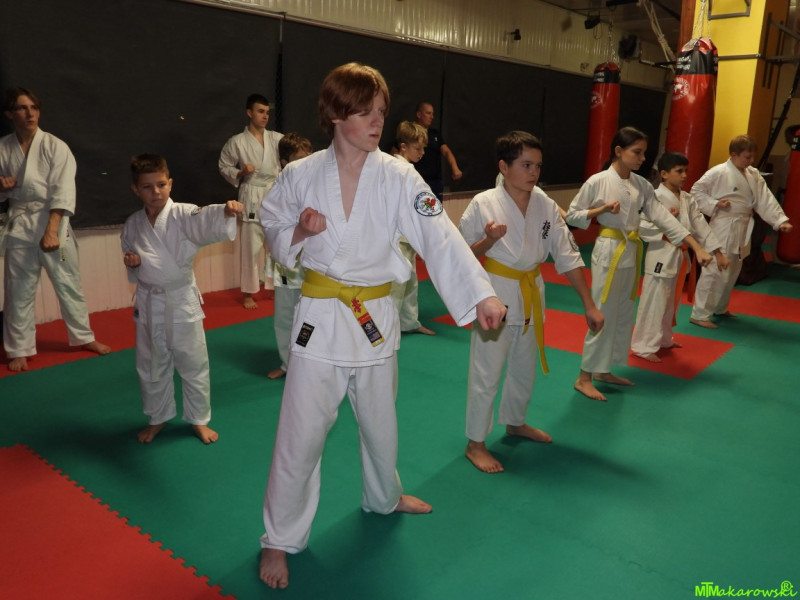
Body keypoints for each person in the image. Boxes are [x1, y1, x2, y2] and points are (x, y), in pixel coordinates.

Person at [258, 62, 506, 589]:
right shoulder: (300, 175)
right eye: (365, 112)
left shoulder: (399, 176)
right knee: (300, 437)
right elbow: (271, 224)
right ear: (335, 115)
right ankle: (280, 538)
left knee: (380, 425)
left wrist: (481, 292)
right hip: (320, 319)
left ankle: (384, 497)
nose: (378, 122)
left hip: (374, 319)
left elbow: (439, 235)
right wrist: (298, 232)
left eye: (381, 112)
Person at [459, 131, 604, 473]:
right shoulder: (483, 203)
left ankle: (515, 421)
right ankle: (475, 443)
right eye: (526, 165)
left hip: (532, 291)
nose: (534, 172)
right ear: (503, 167)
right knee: (487, 370)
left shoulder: (546, 205)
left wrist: (589, 304)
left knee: (525, 366)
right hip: (494, 293)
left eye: (538, 166)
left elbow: (567, 256)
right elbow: (461, 256)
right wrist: (488, 240)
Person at [566, 127, 713, 402]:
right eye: (637, 152)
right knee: (602, 312)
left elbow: (663, 218)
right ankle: (584, 377)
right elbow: (573, 216)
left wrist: (695, 245)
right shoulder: (598, 181)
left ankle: (603, 370)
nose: (643, 158)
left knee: (623, 311)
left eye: (644, 153)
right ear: (618, 151)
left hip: (631, 251)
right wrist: (600, 210)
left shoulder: (641, 184)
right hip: (609, 250)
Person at [122, 154, 243, 444]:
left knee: (193, 362)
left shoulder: (182, 214)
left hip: (180, 299)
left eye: (161, 184)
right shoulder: (133, 224)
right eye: (147, 187)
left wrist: (226, 211)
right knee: (151, 364)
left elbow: (205, 219)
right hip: (149, 302)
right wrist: (132, 262)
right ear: (136, 189)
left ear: (170, 183)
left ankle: (199, 419)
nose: (156, 192)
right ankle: (158, 417)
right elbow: (130, 255)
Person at [0, 86, 110, 372]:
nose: (30, 113)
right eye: (22, 108)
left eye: (34, 107)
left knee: (68, 281)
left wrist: (52, 230)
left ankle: (83, 336)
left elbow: (63, 191)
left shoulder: (55, 146)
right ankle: (19, 348)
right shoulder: (2, 148)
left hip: (55, 226)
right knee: (18, 290)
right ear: (10, 114)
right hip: (20, 226)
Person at [631, 152, 729, 361]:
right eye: (679, 171)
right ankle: (643, 346)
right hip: (661, 254)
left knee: (672, 301)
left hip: (681, 255)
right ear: (664, 174)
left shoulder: (687, 198)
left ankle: (664, 338)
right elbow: (641, 227)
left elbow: (701, 226)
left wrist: (717, 252)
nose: (685, 175)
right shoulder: (654, 197)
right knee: (655, 301)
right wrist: (667, 223)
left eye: (686, 171)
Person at [689, 135, 793, 328]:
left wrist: (779, 220)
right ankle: (700, 313)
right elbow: (695, 192)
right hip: (724, 224)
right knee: (714, 269)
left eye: (753, 157)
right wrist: (714, 203)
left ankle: (719, 307)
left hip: (743, 224)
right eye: (747, 157)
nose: (751, 161)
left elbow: (765, 198)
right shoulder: (718, 171)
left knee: (733, 268)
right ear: (734, 154)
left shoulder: (753, 174)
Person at [219, 94, 283, 309]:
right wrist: (240, 173)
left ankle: (277, 287)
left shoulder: (277, 139)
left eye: (267, 112)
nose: (265, 116)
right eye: (260, 111)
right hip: (251, 193)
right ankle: (248, 293)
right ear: (249, 113)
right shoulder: (237, 141)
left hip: (274, 194)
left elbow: (292, 155)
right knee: (251, 248)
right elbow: (224, 166)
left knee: (277, 246)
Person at [266, 132, 313, 380]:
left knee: (311, 315)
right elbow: (272, 229)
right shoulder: (276, 190)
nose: (306, 164)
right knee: (285, 316)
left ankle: (309, 361)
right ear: (285, 163)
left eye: (309, 158)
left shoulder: (319, 188)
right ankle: (288, 363)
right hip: (286, 264)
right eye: (299, 159)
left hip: (313, 263)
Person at [390, 120, 435, 336]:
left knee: (410, 281)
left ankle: (409, 321)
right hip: (396, 235)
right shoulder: (398, 169)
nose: (422, 152)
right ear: (403, 147)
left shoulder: (407, 169)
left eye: (423, 148)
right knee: (397, 283)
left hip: (407, 235)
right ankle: (389, 327)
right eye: (418, 148)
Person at [413, 101, 462, 198]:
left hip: (435, 182)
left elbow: (446, 151)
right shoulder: (410, 133)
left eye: (432, 114)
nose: (431, 117)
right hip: (417, 180)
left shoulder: (434, 133)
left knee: (435, 206)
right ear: (419, 114)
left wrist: (454, 167)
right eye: (428, 113)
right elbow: (396, 153)